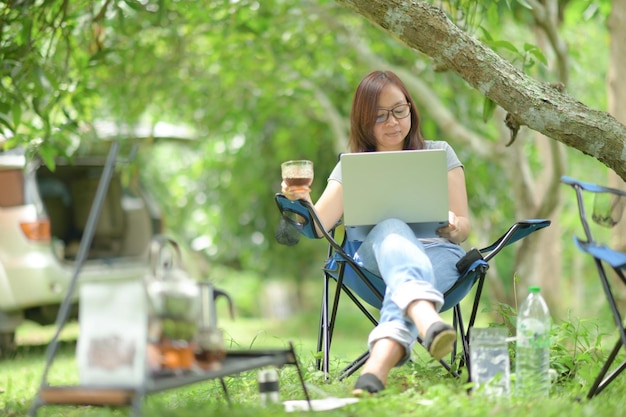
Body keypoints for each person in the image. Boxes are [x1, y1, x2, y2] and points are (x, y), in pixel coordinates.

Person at [281, 70, 470, 395]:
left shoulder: (440, 152)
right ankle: (426, 319)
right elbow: (318, 226)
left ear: (411, 107)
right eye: (380, 116)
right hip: (373, 259)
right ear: (363, 122)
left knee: (412, 280)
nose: (393, 122)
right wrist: (302, 200)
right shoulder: (352, 164)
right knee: (391, 227)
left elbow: (464, 226)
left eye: (399, 110)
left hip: (438, 253)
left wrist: (454, 225)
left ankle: (375, 371)